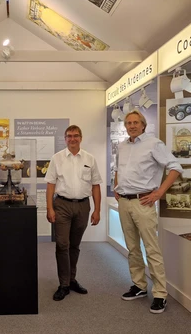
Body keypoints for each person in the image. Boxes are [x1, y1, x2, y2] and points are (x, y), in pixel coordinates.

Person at [113, 110, 183, 314]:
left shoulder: (154, 144)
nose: (132, 125)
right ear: (125, 126)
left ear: (143, 125)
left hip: (143, 202)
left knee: (151, 249)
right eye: (128, 123)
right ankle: (139, 286)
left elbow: (175, 167)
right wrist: (117, 187)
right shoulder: (123, 146)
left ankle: (160, 293)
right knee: (132, 248)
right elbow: (118, 169)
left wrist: (160, 192)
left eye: (135, 122)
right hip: (125, 202)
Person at [45, 125, 102, 301]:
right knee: (62, 244)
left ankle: (72, 279)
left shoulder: (90, 159)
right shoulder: (57, 158)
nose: (72, 139)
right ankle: (63, 284)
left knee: (74, 245)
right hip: (62, 205)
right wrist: (50, 208)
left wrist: (97, 210)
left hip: (83, 207)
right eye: (69, 136)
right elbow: (50, 185)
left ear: (81, 138)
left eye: (76, 136)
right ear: (65, 138)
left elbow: (95, 185)